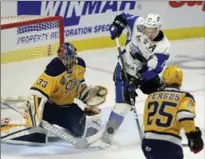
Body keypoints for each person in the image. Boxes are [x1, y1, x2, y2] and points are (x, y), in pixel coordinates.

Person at [1, 42, 107, 145]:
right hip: (49, 109)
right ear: (59, 58)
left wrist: (87, 94)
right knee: (35, 135)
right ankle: (5, 126)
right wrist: (33, 116)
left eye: (71, 58)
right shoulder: (54, 69)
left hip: (67, 109)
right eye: (65, 59)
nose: (68, 62)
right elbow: (37, 92)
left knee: (84, 129)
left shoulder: (80, 66)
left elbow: (75, 87)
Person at [100, 12, 170, 146]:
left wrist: (138, 80)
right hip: (124, 68)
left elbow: (154, 70)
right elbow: (123, 17)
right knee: (123, 105)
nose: (149, 34)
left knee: (160, 95)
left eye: (152, 31)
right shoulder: (138, 23)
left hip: (143, 73)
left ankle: (153, 130)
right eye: (147, 30)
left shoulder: (164, 46)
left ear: (158, 28)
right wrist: (117, 26)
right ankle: (106, 138)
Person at [142, 65, 204, 159]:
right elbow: (185, 116)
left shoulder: (151, 96)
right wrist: (193, 136)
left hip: (148, 143)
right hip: (169, 145)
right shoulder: (184, 97)